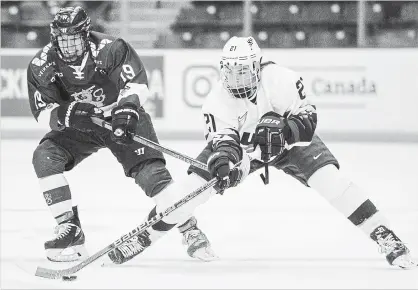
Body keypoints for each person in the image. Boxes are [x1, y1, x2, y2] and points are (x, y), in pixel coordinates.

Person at [122, 36, 416, 269]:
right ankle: (148, 234)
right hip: (244, 148)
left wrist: (285, 130)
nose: (235, 78)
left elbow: (308, 120)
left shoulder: (281, 79)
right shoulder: (216, 99)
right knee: (193, 189)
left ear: (256, 67)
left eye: (242, 70)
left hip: (289, 147)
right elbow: (223, 141)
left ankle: (385, 235)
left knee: (331, 181)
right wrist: (225, 161)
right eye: (230, 70)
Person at [27, 6, 216, 264]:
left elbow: (136, 83)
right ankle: (69, 228)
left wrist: (126, 110)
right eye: (63, 40)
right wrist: (69, 114)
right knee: (45, 156)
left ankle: (189, 229)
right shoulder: (42, 63)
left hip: (120, 119)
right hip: (80, 125)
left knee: (153, 177)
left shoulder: (111, 48)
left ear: (85, 34)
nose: (68, 47)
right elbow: (42, 110)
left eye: (73, 39)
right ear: (54, 38)